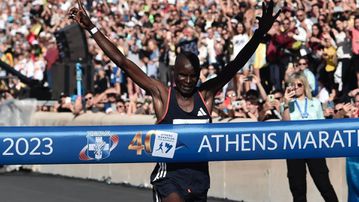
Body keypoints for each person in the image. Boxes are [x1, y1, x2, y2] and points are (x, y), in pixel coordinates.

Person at [68, 0, 279, 201]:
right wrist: (92, 28)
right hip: (168, 178)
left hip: (199, 179)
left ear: (198, 75)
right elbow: (123, 62)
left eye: (192, 76)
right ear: (173, 75)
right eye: (182, 75)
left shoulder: (205, 96)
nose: (188, 81)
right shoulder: (162, 95)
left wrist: (259, 34)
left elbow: (235, 65)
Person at [281, 72, 338, 202]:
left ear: (304, 85)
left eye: (299, 85)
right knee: (298, 189)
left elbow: (322, 125)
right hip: (294, 147)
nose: (295, 88)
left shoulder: (315, 102)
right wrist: (285, 104)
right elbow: (285, 125)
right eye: (292, 85)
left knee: (324, 185)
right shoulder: (286, 103)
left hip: (313, 147)